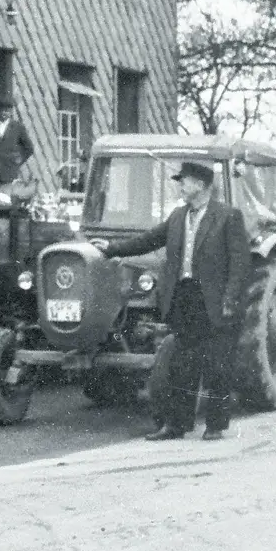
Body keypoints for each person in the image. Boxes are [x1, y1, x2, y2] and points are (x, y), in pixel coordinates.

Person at [88, 161, 250, 441]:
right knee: (181, 363)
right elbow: (150, 240)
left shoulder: (227, 216)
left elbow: (239, 262)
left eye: (184, 181)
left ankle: (215, 425)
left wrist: (231, 298)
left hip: (215, 300)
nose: (181, 185)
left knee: (217, 363)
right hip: (184, 297)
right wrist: (112, 249)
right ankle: (176, 425)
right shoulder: (177, 216)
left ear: (200, 185)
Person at [0, 97, 35, 191]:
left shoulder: (18, 127)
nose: (4, 113)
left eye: (6, 110)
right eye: (1, 110)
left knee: (7, 195)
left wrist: (18, 160)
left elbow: (29, 148)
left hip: (9, 169)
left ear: (10, 111)